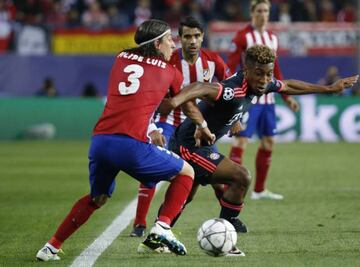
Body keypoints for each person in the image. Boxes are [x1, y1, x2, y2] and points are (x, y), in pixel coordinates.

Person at [35, 19, 216, 261]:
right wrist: (202, 125)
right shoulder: (170, 72)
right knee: (186, 172)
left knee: (97, 197)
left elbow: (136, 91)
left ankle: (51, 246)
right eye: (169, 40)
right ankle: (162, 227)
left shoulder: (121, 58)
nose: (173, 45)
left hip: (100, 141)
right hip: (130, 144)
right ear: (157, 44)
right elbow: (184, 105)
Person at [161, 44, 358, 256]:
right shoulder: (232, 90)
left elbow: (288, 85)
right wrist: (179, 105)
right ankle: (227, 233)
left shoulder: (261, 84)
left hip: (201, 145)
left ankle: (158, 236)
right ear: (246, 72)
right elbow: (200, 87)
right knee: (241, 176)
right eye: (259, 74)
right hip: (188, 146)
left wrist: (329, 89)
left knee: (186, 196)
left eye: (268, 74)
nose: (265, 80)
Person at [131, 16, 231, 238]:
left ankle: (230, 218)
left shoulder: (213, 61)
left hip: (196, 125)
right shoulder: (167, 60)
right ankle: (139, 223)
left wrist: (235, 118)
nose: (192, 41)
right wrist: (152, 128)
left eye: (196, 36)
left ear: (203, 37)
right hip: (167, 122)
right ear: (180, 39)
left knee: (214, 169)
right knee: (152, 168)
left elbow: (230, 88)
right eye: (187, 36)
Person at [227, 0, 299, 200]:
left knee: (268, 142)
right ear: (251, 13)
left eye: (266, 10)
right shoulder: (243, 36)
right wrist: (232, 94)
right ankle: (231, 186)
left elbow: (276, 71)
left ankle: (259, 190)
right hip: (249, 100)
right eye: (259, 10)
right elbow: (231, 65)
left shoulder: (272, 38)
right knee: (241, 140)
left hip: (268, 102)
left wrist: (286, 97)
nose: (263, 14)